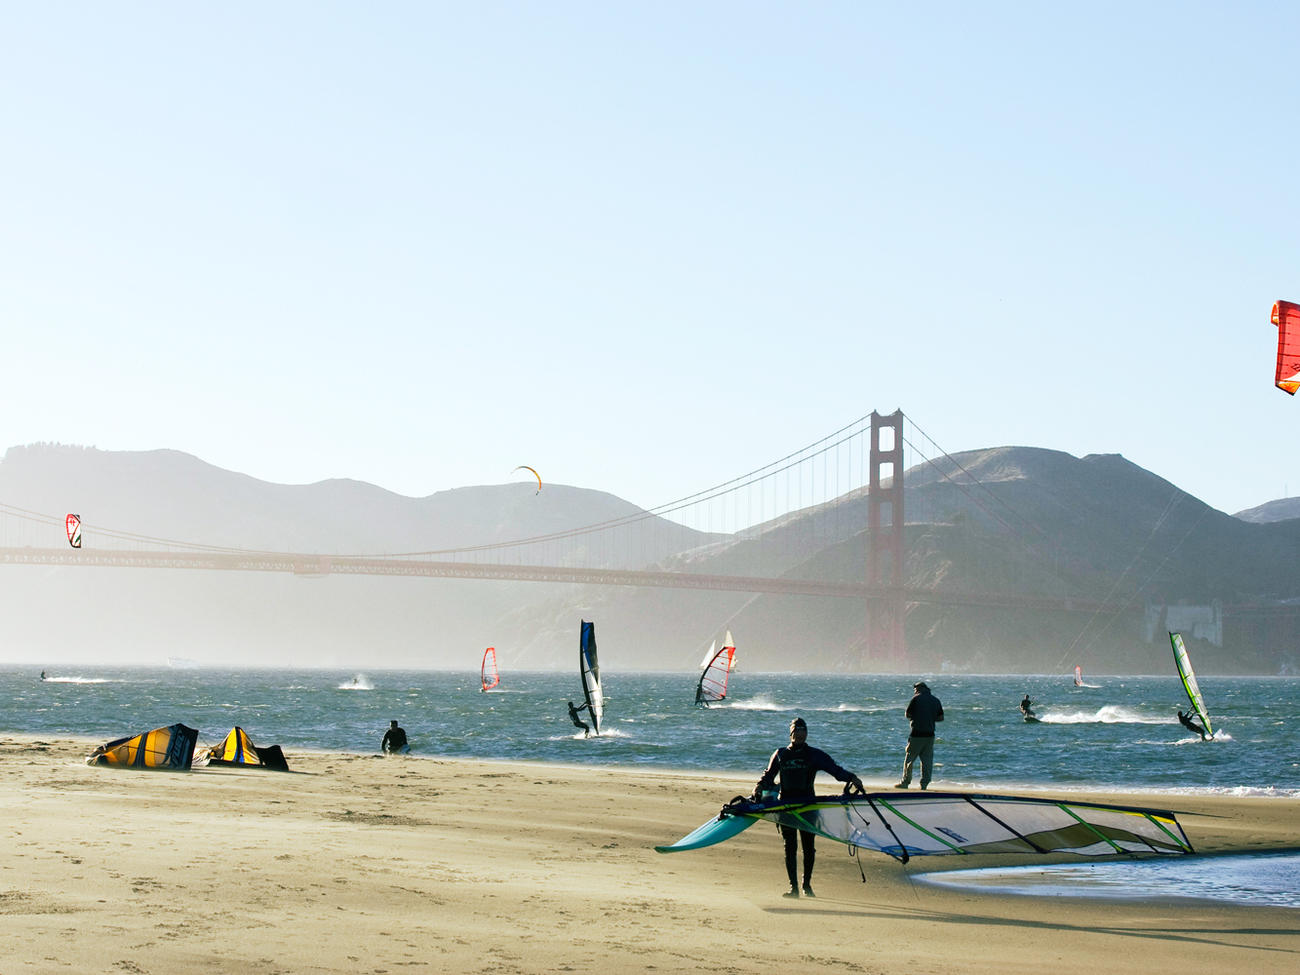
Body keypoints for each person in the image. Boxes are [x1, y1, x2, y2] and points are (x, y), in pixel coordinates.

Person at [751, 716, 864, 899]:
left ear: (807, 734)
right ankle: (793, 887)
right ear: (791, 734)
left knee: (809, 848)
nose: (800, 735)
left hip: (808, 806)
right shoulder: (781, 754)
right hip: (786, 806)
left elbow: (835, 770)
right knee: (790, 847)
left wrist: (852, 777)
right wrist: (759, 787)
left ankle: (807, 885)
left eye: (803, 732)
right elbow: (768, 776)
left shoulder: (814, 754)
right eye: (797, 732)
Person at [897, 680, 944, 790]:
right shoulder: (936, 700)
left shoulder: (916, 699)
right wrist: (930, 718)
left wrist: (917, 718)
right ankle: (924, 784)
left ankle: (905, 782)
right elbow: (941, 718)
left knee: (909, 759)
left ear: (917, 689)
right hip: (930, 735)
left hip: (916, 734)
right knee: (927, 761)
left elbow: (908, 714)